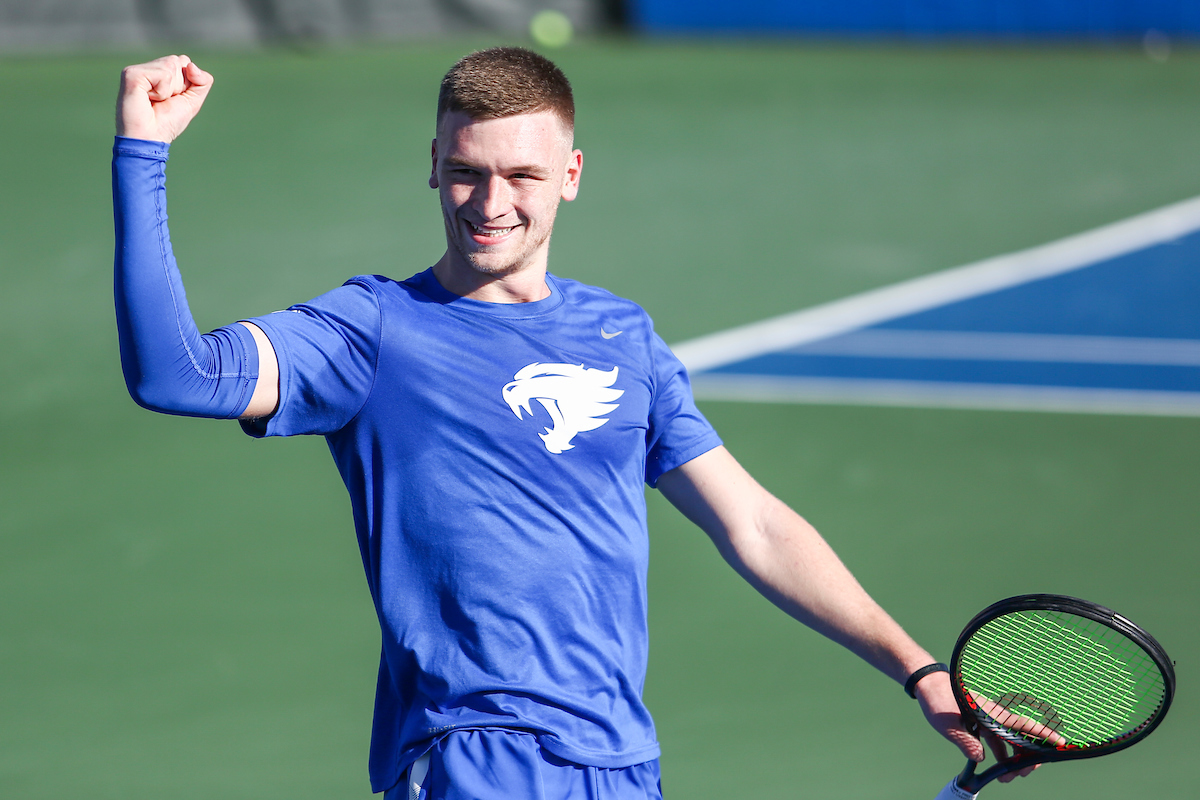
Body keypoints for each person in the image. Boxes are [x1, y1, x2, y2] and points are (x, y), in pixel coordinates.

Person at [112, 48, 1006, 799]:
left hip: (620, 762)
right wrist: (141, 152)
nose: (489, 201)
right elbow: (175, 374)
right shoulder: (371, 332)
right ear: (432, 163)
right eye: (466, 170)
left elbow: (755, 523)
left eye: (521, 175)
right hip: (475, 754)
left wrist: (918, 669)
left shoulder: (622, 335)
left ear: (570, 177)